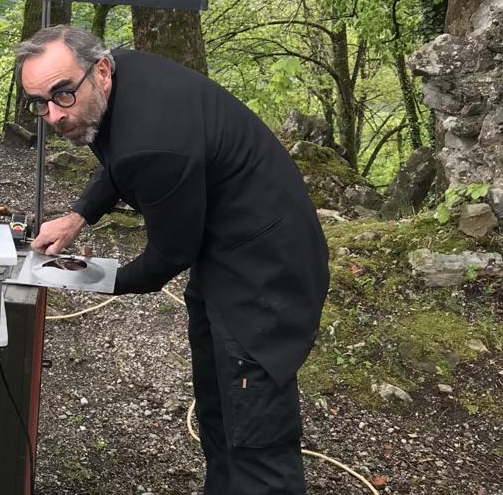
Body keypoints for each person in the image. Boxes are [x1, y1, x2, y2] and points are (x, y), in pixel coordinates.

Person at [18, 25, 329, 495]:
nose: (54, 116)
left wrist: (92, 278)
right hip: (223, 250)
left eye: (63, 95)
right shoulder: (120, 78)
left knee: (256, 432)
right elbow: (118, 160)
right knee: (217, 409)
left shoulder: (155, 140)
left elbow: (168, 255)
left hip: (267, 267)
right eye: (39, 102)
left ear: (99, 71)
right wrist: (78, 216)